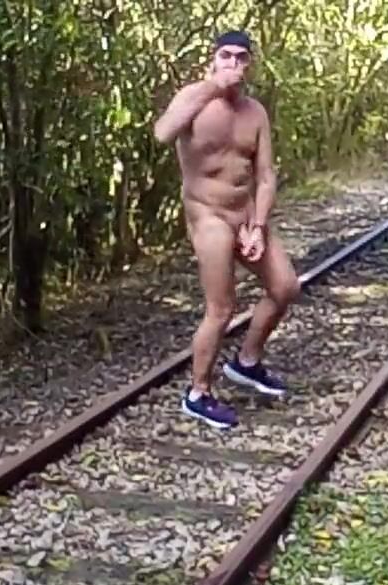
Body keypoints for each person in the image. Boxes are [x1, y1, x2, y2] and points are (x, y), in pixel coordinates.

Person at [153, 29, 301, 429]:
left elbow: (266, 175)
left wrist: (257, 226)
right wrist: (212, 86)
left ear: (250, 64)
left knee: (285, 287)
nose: (233, 63)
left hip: (245, 214)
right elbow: (163, 133)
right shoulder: (194, 97)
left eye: (241, 57)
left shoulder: (255, 112)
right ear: (213, 59)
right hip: (208, 216)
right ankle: (198, 393)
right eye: (226, 56)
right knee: (221, 308)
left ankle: (246, 362)